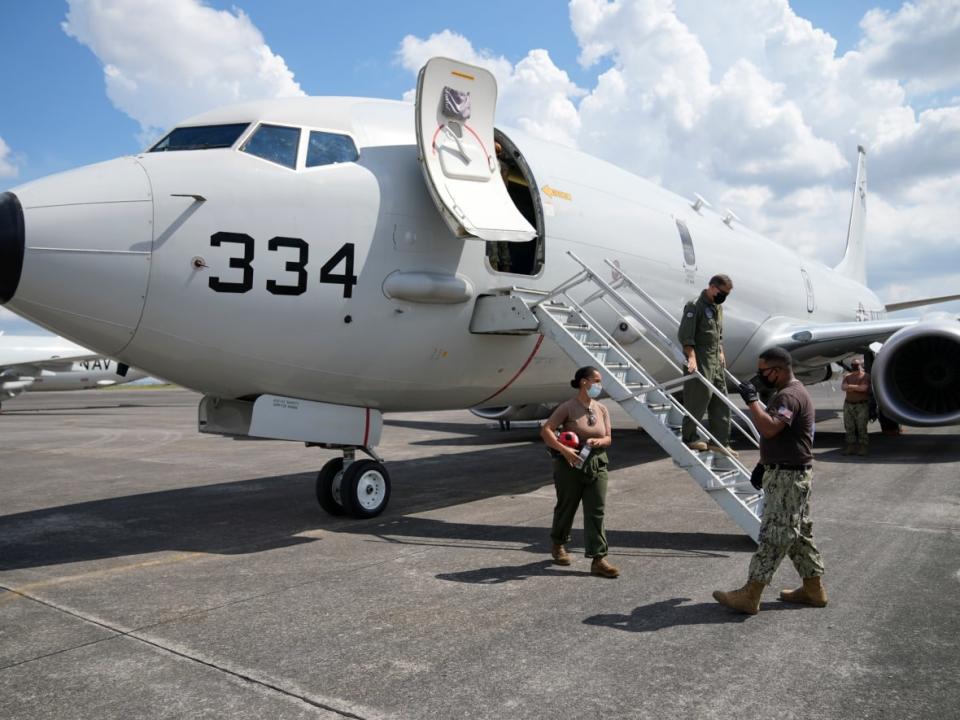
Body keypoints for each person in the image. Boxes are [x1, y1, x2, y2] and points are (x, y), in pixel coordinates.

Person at [712, 347, 827, 615]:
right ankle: (813, 588)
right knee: (798, 534)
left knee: (775, 534)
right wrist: (762, 465)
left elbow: (769, 428)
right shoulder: (788, 394)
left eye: (763, 372)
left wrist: (752, 401)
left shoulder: (789, 396)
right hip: (786, 471)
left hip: (789, 477)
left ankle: (751, 594)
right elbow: (782, 439)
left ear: (778, 370)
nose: (760, 377)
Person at [540, 366, 619, 578]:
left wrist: (599, 441)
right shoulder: (568, 407)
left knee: (596, 511)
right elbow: (546, 430)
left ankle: (598, 559)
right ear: (584, 382)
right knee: (567, 506)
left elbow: (609, 438)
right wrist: (563, 449)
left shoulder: (602, 409)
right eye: (596, 380)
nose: (599, 385)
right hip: (570, 464)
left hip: (597, 463)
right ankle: (558, 544)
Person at [677, 274, 737, 457]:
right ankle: (690, 437)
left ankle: (720, 441)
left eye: (726, 294)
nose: (723, 297)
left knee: (721, 399)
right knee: (698, 398)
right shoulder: (695, 306)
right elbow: (686, 335)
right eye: (722, 292)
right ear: (712, 287)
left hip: (714, 361)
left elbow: (718, 333)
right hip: (700, 359)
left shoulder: (717, 307)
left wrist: (720, 352)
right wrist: (692, 357)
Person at [841, 357, 871, 455]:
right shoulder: (847, 376)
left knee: (861, 427)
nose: (854, 367)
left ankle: (863, 447)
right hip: (848, 405)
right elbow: (843, 387)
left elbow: (864, 388)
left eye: (856, 365)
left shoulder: (865, 376)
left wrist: (850, 387)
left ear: (860, 366)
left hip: (861, 405)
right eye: (853, 365)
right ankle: (850, 447)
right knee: (849, 427)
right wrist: (856, 387)